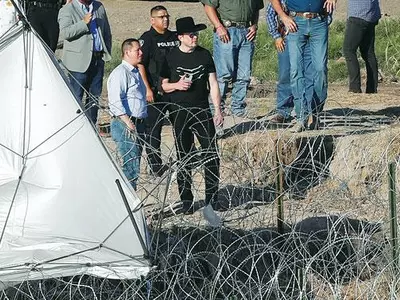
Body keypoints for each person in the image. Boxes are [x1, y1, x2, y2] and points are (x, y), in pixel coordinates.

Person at [160, 17, 223, 226]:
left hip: (202, 110)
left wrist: (218, 110)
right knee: (184, 156)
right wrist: (177, 85)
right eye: (190, 34)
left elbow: (213, 83)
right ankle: (186, 200)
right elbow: (163, 86)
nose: (194, 37)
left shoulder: (204, 55)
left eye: (196, 34)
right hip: (180, 112)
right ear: (180, 37)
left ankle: (212, 199)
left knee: (211, 154)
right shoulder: (169, 57)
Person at [270, 0, 336, 132]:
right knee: (296, 71)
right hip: (296, 22)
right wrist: (283, 16)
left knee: (320, 70)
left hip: (319, 21)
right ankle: (301, 117)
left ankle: (316, 113)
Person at [201, 0, 264, 117]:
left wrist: (254, 25)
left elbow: (256, 8)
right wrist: (218, 26)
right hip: (227, 30)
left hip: (247, 32)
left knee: (244, 75)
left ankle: (238, 109)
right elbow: (209, 6)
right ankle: (217, 111)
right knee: (223, 75)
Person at [138, 5, 180, 177]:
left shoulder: (175, 36)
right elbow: (140, 64)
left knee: (181, 126)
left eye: (167, 16)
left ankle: (186, 158)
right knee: (154, 130)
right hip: (155, 92)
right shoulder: (147, 39)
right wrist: (147, 89)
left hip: (175, 90)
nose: (165, 19)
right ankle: (155, 166)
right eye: (161, 17)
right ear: (152, 20)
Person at [58, 0, 112, 125]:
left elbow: (106, 31)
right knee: (76, 97)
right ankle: (73, 126)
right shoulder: (68, 9)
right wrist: (84, 23)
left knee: (94, 98)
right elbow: (65, 33)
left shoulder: (99, 7)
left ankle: (91, 126)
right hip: (77, 63)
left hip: (98, 59)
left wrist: (106, 50)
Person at [107, 39, 148, 190]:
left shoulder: (135, 72)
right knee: (131, 165)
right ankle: (128, 204)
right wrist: (127, 121)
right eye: (137, 50)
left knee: (134, 163)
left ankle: (131, 200)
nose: (141, 53)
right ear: (127, 52)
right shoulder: (120, 73)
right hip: (125, 123)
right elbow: (115, 101)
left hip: (138, 123)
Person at [266, 0, 314, 124]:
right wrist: (276, 36)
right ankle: (284, 111)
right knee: (285, 74)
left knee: (309, 74)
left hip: (309, 37)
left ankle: (309, 111)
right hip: (286, 38)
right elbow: (270, 12)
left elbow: (325, 11)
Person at [343, 0, 381, 94]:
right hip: (371, 14)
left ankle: (354, 88)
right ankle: (372, 88)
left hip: (359, 14)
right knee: (368, 53)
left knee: (349, 50)